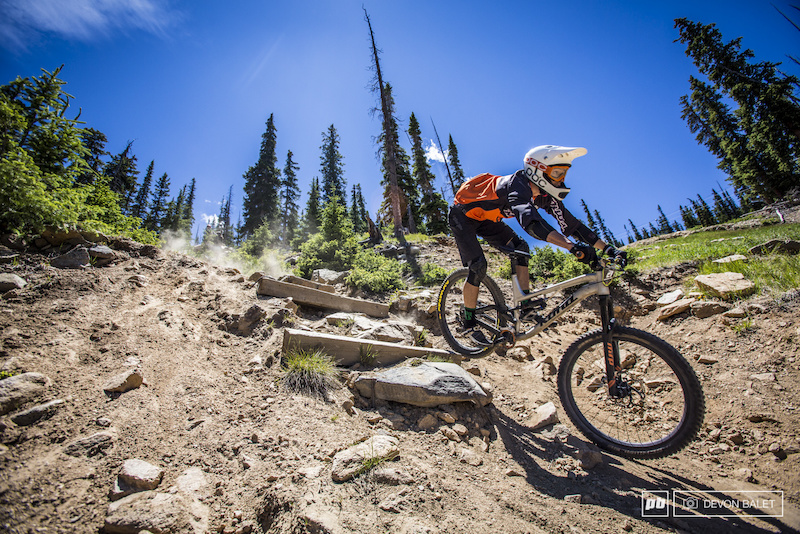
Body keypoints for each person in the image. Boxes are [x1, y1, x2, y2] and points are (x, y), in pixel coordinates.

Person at [448, 145, 627, 346]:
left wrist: (608, 249)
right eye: (557, 174)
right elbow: (532, 223)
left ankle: (524, 306)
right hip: (462, 216)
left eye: (563, 174)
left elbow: (572, 225)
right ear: (537, 170)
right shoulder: (517, 186)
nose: (561, 180)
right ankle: (468, 322)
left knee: (521, 249)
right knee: (478, 266)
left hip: (487, 220)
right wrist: (572, 248)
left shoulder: (544, 196)